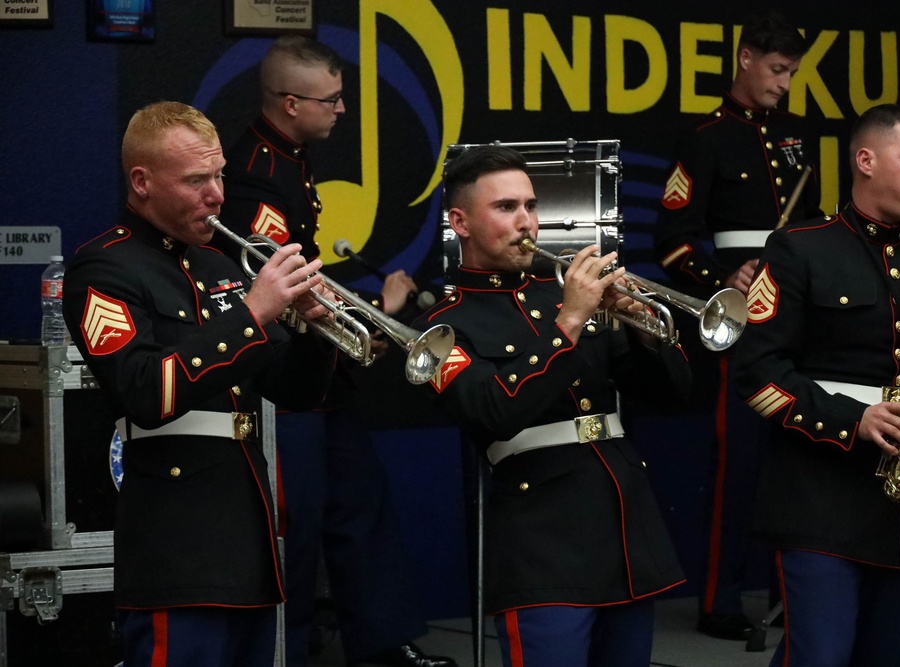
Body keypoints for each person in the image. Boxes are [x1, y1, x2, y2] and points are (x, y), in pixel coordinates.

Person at [62, 101, 338, 666]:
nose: (216, 195)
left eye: (218, 176)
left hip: (248, 538)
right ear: (141, 182)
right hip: (177, 547)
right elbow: (145, 391)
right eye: (195, 180)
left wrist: (317, 331)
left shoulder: (220, 266)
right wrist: (253, 315)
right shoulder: (103, 268)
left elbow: (296, 391)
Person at [212, 36, 454, 667]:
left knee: (361, 506)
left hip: (323, 376)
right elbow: (276, 291)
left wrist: (373, 311)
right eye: (333, 99)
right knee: (297, 527)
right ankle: (283, 654)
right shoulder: (253, 176)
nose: (342, 110)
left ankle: (381, 644)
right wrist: (373, 316)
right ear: (291, 103)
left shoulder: (289, 157)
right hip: (285, 382)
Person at [734, 103, 900, 667]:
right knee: (821, 656)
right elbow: (757, 375)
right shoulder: (801, 248)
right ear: (866, 160)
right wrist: (854, 421)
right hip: (821, 499)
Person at [413, 144, 692, 666]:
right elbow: (490, 411)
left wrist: (643, 331)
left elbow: (673, 393)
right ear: (461, 222)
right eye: (506, 208)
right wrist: (568, 324)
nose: (526, 222)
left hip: (625, 522)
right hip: (542, 541)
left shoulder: (565, 292)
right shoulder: (442, 328)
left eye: (531, 206)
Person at [653, 9, 820, 640]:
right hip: (740, 323)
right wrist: (722, 280)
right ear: (746, 58)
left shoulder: (795, 137)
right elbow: (672, 242)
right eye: (777, 69)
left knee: (797, 461)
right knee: (738, 464)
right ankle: (719, 601)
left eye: (792, 73)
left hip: (797, 318)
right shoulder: (705, 138)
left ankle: (790, 594)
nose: (784, 83)